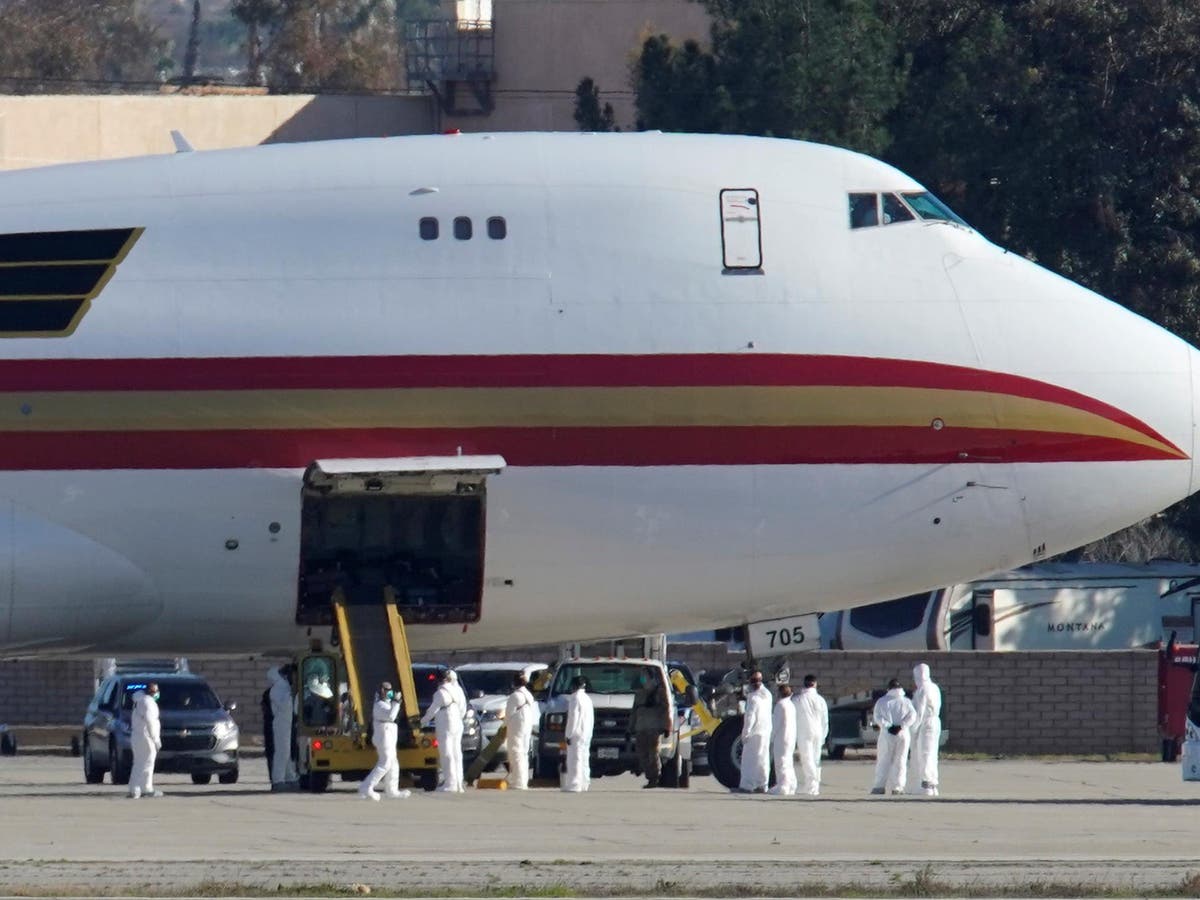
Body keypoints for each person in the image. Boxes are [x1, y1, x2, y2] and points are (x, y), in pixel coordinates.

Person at [359, 681, 411, 800]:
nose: (389, 692)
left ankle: (392, 790)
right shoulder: (379, 705)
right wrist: (397, 703)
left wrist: (395, 702)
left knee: (393, 763)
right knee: (385, 762)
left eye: (390, 690)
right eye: (387, 690)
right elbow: (391, 716)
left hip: (390, 733)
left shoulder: (387, 703)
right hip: (383, 734)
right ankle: (367, 786)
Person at [421, 669, 466, 792]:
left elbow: (432, 711)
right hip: (457, 722)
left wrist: (422, 722)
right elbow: (463, 708)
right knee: (457, 753)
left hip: (446, 723)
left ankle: (450, 783)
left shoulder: (439, 693)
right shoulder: (457, 690)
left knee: (446, 753)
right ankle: (458, 783)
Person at [871, 678, 917, 795]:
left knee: (883, 760)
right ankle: (898, 787)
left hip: (887, 734)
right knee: (901, 761)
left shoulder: (882, 701)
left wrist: (888, 726)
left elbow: (877, 717)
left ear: (889, 688)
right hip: (902, 734)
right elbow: (912, 716)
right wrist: (901, 726)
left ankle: (879, 786)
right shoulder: (906, 702)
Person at [631, 670, 672, 788]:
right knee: (642, 753)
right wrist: (630, 728)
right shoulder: (639, 694)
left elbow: (666, 710)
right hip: (641, 727)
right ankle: (650, 776)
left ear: (651, 678)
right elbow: (634, 712)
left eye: (645, 677)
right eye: (641, 677)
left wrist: (666, 727)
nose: (643, 680)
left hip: (654, 727)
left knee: (653, 753)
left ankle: (655, 777)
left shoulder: (659, 692)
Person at [908, 662, 942, 797]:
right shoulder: (935, 687)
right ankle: (932, 784)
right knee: (932, 753)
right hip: (935, 721)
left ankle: (925, 784)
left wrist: (913, 729)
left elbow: (920, 711)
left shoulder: (923, 689)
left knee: (924, 753)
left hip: (926, 723)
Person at [793, 673, 830, 797]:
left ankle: (812, 783)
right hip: (818, 731)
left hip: (804, 731)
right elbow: (825, 720)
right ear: (815, 684)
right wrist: (824, 735)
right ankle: (814, 787)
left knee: (807, 758)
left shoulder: (798, 699)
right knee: (815, 759)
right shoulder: (821, 700)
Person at [738, 671, 772, 793]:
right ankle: (762, 784)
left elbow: (750, 717)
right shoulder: (767, 694)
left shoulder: (753, 697)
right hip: (765, 731)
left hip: (754, 732)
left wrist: (745, 733)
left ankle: (747, 785)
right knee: (763, 759)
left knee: (749, 760)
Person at [267, 664, 299, 791]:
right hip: (281, 724)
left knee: (288, 752)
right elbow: (284, 705)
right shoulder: (278, 688)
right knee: (282, 752)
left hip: (288, 723)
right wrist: (292, 693)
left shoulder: (285, 687)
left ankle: (290, 777)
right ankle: (278, 780)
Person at [504, 672, 538, 790]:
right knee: (524, 753)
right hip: (526, 726)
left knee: (515, 752)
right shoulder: (529, 695)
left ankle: (518, 781)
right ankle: (523, 780)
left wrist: (504, 725)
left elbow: (508, 714)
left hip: (516, 726)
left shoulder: (515, 696)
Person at [128, 682, 162, 799]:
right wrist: (156, 739)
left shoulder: (139, 701)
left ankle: (135, 789)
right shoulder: (149, 703)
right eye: (156, 691)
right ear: (152, 692)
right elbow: (150, 722)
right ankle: (146, 788)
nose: (157, 693)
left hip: (137, 736)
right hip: (146, 737)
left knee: (138, 763)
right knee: (148, 762)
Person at [561, 676, 594, 792]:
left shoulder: (575, 698)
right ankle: (585, 783)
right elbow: (591, 719)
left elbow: (573, 718)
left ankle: (574, 785)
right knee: (584, 759)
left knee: (574, 759)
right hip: (586, 733)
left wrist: (568, 734)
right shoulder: (587, 699)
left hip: (576, 733)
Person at [768, 684, 797, 796]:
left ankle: (783, 786)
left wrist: (770, 738)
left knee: (781, 762)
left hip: (782, 738)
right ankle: (791, 784)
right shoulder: (791, 705)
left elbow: (776, 724)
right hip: (791, 738)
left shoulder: (780, 705)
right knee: (788, 761)